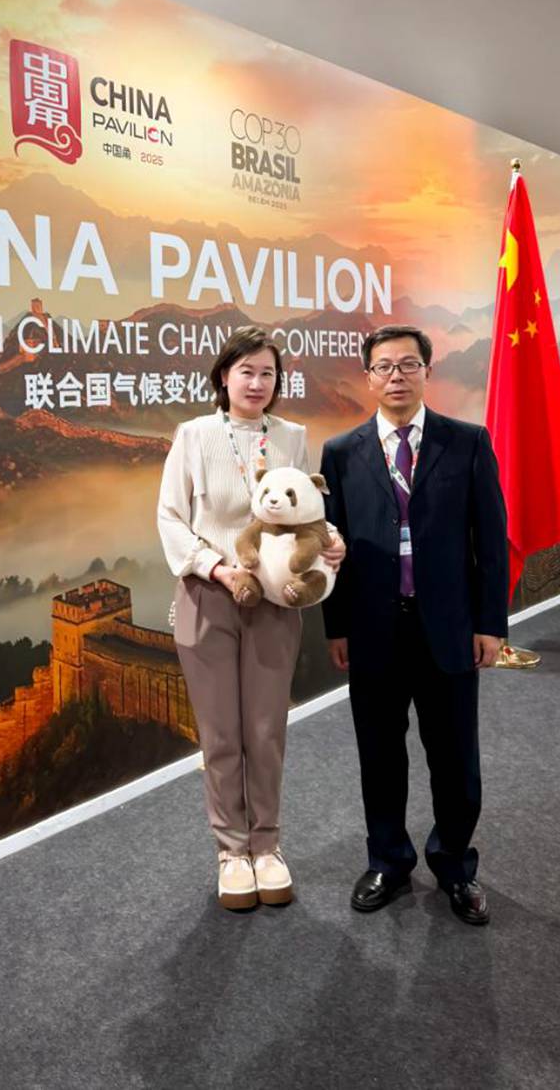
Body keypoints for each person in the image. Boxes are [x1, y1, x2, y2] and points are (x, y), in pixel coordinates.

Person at [320, 325, 508, 925]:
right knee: (379, 755)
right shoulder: (341, 453)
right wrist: (336, 626)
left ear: (428, 370)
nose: (396, 376)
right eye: (383, 366)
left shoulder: (467, 443)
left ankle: (455, 864)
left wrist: (490, 623)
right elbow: (330, 547)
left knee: (455, 759)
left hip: (448, 628)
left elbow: (491, 542)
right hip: (373, 628)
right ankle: (388, 859)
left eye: (407, 364)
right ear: (368, 377)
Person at [157, 326, 345, 910]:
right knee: (221, 735)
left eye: (268, 373)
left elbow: (306, 512)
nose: (257, 383)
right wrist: (217, 569)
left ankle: (267, 845)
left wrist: (331, 539)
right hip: (209, 596)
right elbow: (170, 518)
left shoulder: (292, 436)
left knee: (265, 730)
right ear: (224, 376)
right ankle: (231, 852)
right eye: (246, 372)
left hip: (273, 603)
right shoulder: (193, 436)